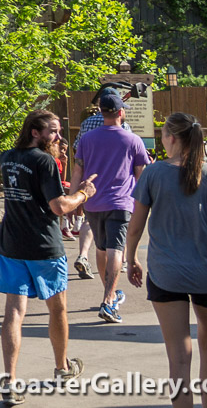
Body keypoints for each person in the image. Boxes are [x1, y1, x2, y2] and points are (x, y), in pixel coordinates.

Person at [124, 112, 207, 408]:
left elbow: (135, 227)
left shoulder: (154, 174)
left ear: (170, 138)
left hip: (166, 274)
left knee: (179, 357)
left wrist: (130, 260)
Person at [0, 109, 97, 405]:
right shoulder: (44, 160)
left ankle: (10, 383)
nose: (58, 136)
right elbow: (58, 206)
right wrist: (84, 194)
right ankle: (63, 369)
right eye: (53, 131)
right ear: (35, 132)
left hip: (12, 243)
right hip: (42, 246)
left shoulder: (8, 157)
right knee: (58, 310)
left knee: (14, 312)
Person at [71, 89, 147, 322]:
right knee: (116, 249)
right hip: (121, 202)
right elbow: (140, 175)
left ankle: (110, 295)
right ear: (121, 112)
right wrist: (143, 205)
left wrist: (76, 198)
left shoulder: (86, 139)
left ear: (102, 112)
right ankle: (108, 300)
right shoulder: (133, 140)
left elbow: (77, 170)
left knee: (102, 249)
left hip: (93, 202)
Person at [72, 88, 135, 280]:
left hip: (91, 189)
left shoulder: (86, 127)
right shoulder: (126, 130)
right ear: (119, 110)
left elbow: (77, 161)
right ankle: (117, 273)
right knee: (115, 244)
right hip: (118, 191)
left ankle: (83, 255)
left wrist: (74, 197)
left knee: (91, 228)